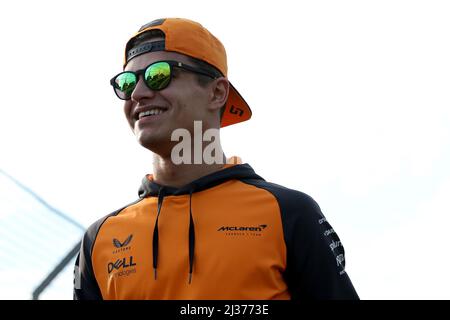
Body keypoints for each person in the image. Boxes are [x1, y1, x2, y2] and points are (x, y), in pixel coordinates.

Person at [73, 17, 359, 300]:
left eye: (158, 75)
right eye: (126, 82)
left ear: (217, 92)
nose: (137, 93)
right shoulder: (99, 239)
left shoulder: (288, 213)